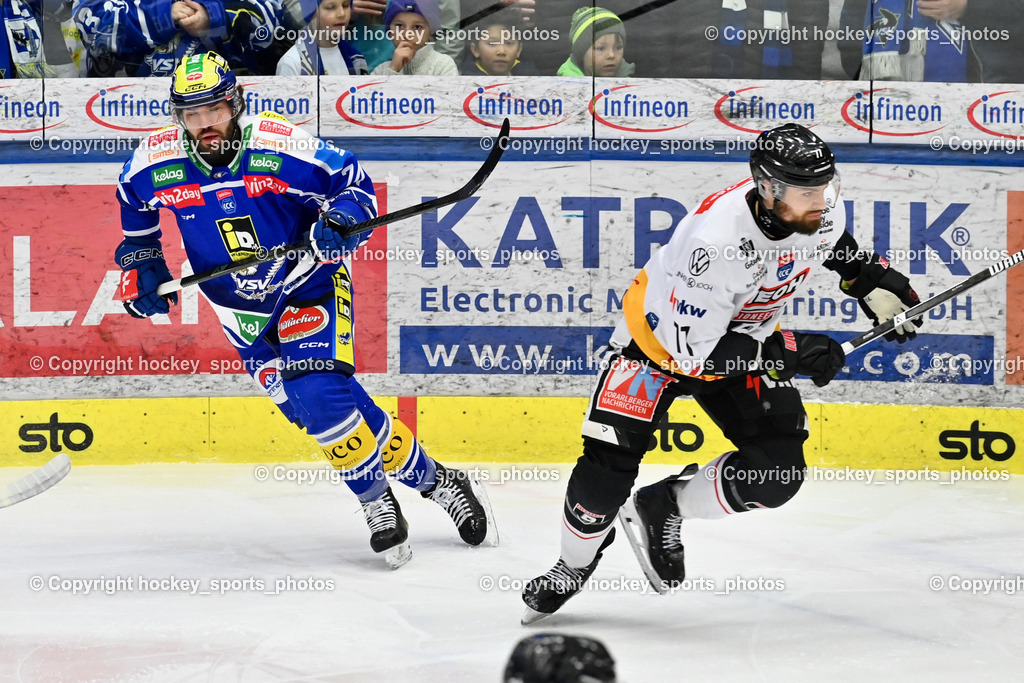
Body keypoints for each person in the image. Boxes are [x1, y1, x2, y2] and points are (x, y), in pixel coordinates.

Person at [521, 123, 923, 623]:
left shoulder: (815, 209)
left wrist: (867, 278)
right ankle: (573, 565)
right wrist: (792, 351)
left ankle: (664, 505)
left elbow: (833, 243)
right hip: (657, 348)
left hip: (744, 344)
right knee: (604, 476)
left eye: (825, 188)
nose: (821, 202)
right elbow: (695, 355)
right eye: (807, 193)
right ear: (767, 189)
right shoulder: (714, 245)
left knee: (777, 474)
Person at [114, 52, 497, 568]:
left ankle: (376, 501)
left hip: (306, 283)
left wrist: (338, 221)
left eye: (214, 110)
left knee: (317, 392)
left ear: (236, 103)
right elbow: (133, 210)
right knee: (318, 410)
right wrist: (144, 264)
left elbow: (352, 184)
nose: (204, 124)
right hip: (239, 313)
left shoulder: (278, 145)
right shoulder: (153, 162)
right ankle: (438, 480)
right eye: (192, 113)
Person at [74, 0, 283, 76]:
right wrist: (164, 16)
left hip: (221, 104)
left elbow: (268, 18)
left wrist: (213, 16)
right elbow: (90, 23)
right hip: (125, 107)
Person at [276, 0, 369, 74]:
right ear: (310, 12)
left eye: (346, 5)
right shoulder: (292, 63)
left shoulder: (356, 59)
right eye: (330, 7)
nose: (341, 14)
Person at [370, 0, 457, 75]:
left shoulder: (443, 65)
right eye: (399, 26)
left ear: (431, 33)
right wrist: (393, 70)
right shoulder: (380, 70)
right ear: (389, 32)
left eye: (417, 27)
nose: (407, 34)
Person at [556, 6, 633, 77]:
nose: (611, 55)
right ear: (581, 54)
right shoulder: (565, 85)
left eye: (618, 47)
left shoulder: (632, 83)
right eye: (600, 48)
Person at [460, 9, 536, 75]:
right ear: (476, 50)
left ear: (519, 50)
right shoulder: (463, 81)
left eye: (509, 43)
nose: (501, 51)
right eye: (492, 43)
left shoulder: (530, 77)